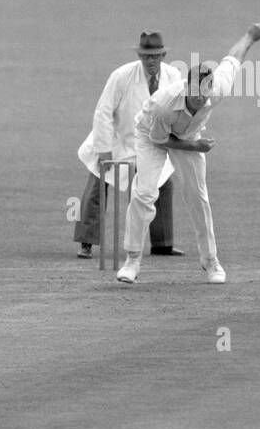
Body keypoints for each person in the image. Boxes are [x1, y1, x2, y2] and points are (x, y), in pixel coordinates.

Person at [117, 20, 260, 285]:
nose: (202, 98)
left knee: (198, 197)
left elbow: (233, 58)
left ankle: (211, 261)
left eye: (206, 91)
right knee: (144, 192)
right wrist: (196, 147)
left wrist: (251, 36)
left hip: (188, 135)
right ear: (187, 86)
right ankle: (132, 260)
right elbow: (161, 140)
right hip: (151, 136)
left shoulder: (217, 88)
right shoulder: (164, 105)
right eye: (197, 92)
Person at [75, 31, 181, 259]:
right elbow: (103, 111)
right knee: (97, 185)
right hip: (115, 140)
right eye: (145, 56)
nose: (150, 61)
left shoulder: (174, 76)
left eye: (154, 56)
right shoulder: (121, 75)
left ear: (163, 55)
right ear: (140, 56)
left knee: (164, 184)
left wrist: (177, 141)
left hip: (149, 142)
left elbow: (178, 111)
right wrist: (104, 149)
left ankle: (163, 243)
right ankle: (86, 241)